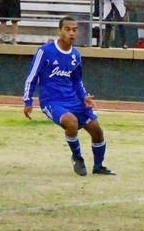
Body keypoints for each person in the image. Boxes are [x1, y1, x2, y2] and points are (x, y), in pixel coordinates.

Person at [23, 15, 116, 176]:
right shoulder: (45, 51)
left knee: (97, 130)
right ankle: (78, 158)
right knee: (71, 122)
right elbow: (32, 77)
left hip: (73, 99)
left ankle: (99, 166)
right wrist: (28, 100)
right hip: (51, 101)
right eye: (67, 29)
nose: (71, 33)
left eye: (74, 30)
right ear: (59, 31)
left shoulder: (76, 55)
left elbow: (77, 80)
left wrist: (84, 96)